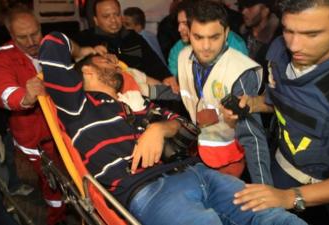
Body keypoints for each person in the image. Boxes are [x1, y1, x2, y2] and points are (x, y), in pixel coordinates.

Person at [39, 30, 307, 225]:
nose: (113, 62)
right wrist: (84, 51)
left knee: (275, 217)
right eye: (105, 61)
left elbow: (188, 127)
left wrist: (161, 130)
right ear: (86, 72)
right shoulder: (78, 106)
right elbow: (52, 42)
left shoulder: (139, 102)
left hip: (199, 172)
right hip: (148, 190)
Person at [223, 1, 329, 225]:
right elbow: (279, 101)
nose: (294, 45)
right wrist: (254, 103)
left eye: (311, 34)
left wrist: (292, 197)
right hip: (287, 166)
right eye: (288, 30)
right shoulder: (279, 50)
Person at [0, 6, 97, 225]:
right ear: (11, 35)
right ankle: (55, 219)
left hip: (67, 128)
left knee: (82, 173)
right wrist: (26, 97)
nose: (31, 42)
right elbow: (2, 91)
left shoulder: (50, 43)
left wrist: (85, 51)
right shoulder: (0, 57)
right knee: (53, 185)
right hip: (35, 139)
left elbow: (72, 48)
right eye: (22, 37)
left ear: (40, 27)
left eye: (35, 34)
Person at [177, 0, 272, 182]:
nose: (206, 46)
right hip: (200, 152)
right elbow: (184, 92)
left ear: (226, 33)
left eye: (214, 37)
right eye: (198, 37)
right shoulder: (183, 57)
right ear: (188, 34)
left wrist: (264, 187)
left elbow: (252, 136)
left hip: (232, 162)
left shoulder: (240, 71)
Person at [73, 0, 173, 85]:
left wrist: (167, 77)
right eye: (106, 16)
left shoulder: (134, 37)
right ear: (96, 20)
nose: (113, 20)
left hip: (144, 91)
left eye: (116, 14)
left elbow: (154, 63)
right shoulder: (84, 39)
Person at [168, 0, 249, 77]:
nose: (180, 29)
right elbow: (176, 81)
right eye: (179, 23)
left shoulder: (236, 44)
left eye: (185, 23)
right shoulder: (178, 51)